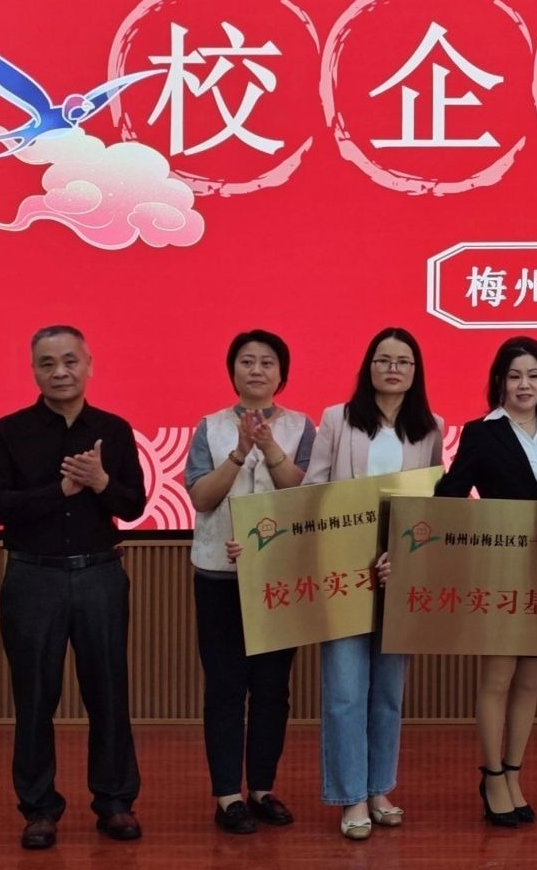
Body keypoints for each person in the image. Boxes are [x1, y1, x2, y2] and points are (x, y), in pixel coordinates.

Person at [0, 325, 149, 851]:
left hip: (100, 575)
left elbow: (133, 505)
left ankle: (115, 802)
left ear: (89, 365)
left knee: (109, 693)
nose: (60, 372)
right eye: (47, 363)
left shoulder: (114, 430)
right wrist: (61, 490)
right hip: (33, 579)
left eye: (70, 361)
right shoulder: (8, 431)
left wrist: (100, 482)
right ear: (34, 371)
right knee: (34, 697)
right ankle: (39, 809)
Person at [304, 327, 446, 840]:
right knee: (345, 691)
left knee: (387, 691)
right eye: (384, 360)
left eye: (403, 362)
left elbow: (432, 505)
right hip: (343, 571)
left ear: (415, 372)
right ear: (369, 367)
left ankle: (380, 787)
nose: (393, 369)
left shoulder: (431, 427)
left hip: (399, 572)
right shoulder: (337, 420)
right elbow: (314, 492)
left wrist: (405, 559)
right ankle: (352, 797)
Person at [437, 335, 537, 828]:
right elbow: (451, 495)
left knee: (529, 681)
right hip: (497, 572)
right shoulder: (481, 433)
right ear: (500, 381)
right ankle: (492, 775)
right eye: (515, 375)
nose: (524, 384)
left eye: (533, 376)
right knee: (497, 678)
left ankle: (515, 772)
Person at [183, 330, 315, 833]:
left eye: (267, 362)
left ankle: (261, 789)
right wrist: (239, 452)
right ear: (232, 371)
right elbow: (201, 498)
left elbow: (303, 496)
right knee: (225, 688)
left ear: (282, 373)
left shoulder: (302, 427)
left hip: (279, 578)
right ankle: (227, 796)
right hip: (219, 575)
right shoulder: (210, 427)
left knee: (272, 690)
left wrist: (270, 446)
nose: (256, 370)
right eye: (246, 362)